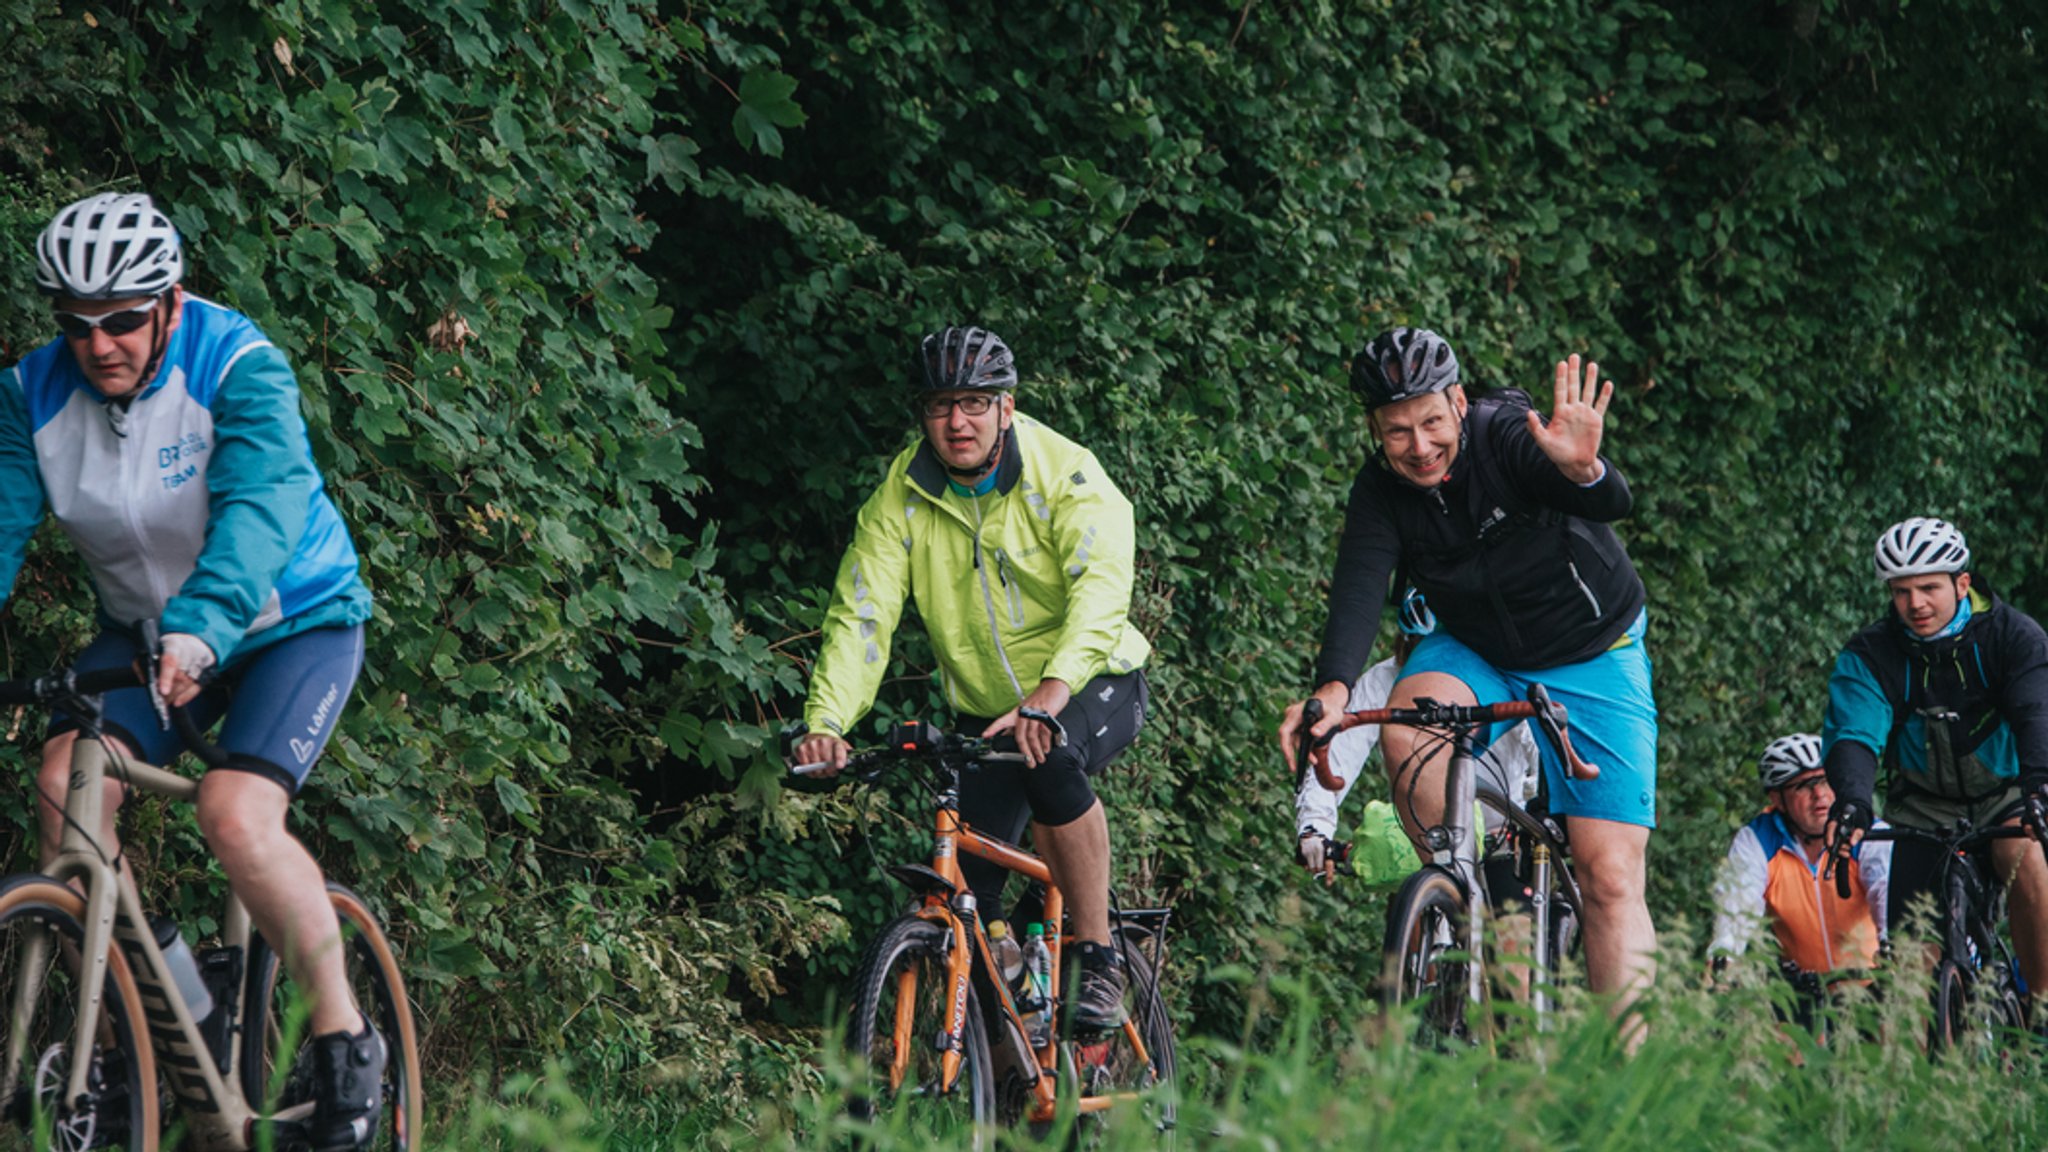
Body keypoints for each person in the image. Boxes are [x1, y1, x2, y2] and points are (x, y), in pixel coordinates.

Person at [1, 192, 381, 1150]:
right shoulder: (30, 395)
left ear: (169, 301)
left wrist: (205, 628)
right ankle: (169, 1002)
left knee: (233, 812)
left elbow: (264, 504)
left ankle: (344, 1040)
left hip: (290, 621)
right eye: (77, 325)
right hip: (143, 633)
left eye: (124, 319)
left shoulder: (239, 365)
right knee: (62, 791)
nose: (99, 346)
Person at [1279, 327, 1660, 1008]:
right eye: (1396, 433)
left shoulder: (1505, 433)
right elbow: (1360, 586)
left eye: (1431, 422)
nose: (1419, 448)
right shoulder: (1381, 490)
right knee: (1405, 727)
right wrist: (1332, 693)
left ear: (1458, 401)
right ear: (1375, 430)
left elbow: (1611, 502)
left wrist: (1581, 471)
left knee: (1608, 876)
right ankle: (1470, 896)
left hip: (1592, 649)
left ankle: (1632, 1091)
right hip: (1477, 647)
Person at [790, 325, 1152, 1030]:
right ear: (922, 415)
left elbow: (1101, 591)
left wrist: (1052, 691)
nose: (958, 421)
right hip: (986, 713)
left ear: (1006, 408)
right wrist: (826, 723)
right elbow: (863, 614)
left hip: (1092, 680)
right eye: (940, 405)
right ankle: (1016, 1061)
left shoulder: (1065, 472)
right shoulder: (903, 494)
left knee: (1050, 761)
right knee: (968, 902)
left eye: (976, 403)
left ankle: (1099, 955)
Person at [1821, 517, 2048, 1013]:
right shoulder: (1872, 653)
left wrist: (2038, 785)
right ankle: (1918, 1075)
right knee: (1910, 968)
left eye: (1928, 587)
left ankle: (2043, 1006)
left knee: (2022, 854)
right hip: (1921, 809)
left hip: (2005, 794)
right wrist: (1855, 800)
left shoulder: (2012, 637)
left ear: (1962, 583)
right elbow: (1854, 734)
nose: (1915, 604)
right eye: (1901, 591)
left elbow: (2036, 713)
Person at [1295, 588, 1540, 886]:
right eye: (1417, 648)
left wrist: (1535, 810)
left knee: (1509, 926)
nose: (1430, 664)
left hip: (1501, 832)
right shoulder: (1385, 677)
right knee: (1414, 906)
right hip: (1425, 829)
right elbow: (1339, 753)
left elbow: (1537, 746)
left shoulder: (1500, 673)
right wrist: (1314, 828)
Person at [1711, 733, 1890, 980]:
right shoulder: (1758, 841)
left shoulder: (1865, 833)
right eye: (1803, 786)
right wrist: (1724, 965)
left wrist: (1894, 951)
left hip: (1870, 987)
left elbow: (1887, 893)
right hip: (1800, 996)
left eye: (1826, 781)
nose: (1820, 794)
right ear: (1777, 799)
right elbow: (1736, 909)